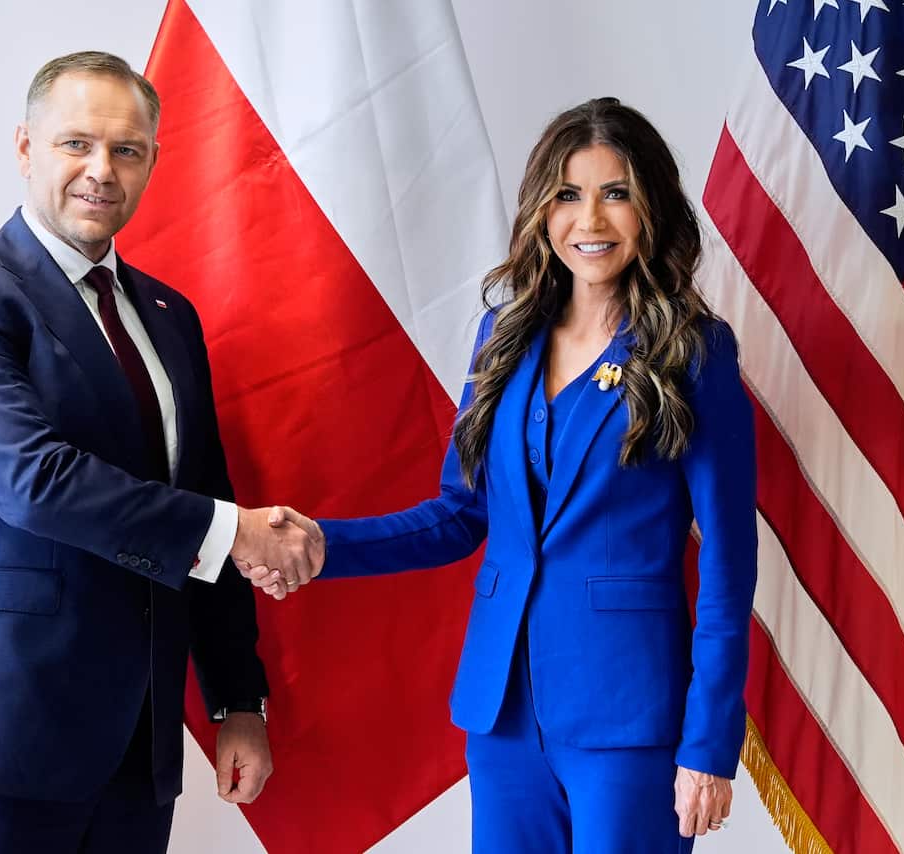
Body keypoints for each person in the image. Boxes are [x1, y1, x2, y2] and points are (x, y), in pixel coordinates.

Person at [246, 98, 757, 852]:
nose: (591, 219)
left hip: (629, 713)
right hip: (503, 711)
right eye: (568, 195)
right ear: (541, 211)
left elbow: (727, 561)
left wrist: (709, 744)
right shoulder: (502, 338)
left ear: (650, 208)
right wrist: (326, 544)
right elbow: (462, 513)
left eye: (616, 193)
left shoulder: (694, 351)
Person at [0, 51, 322, 854]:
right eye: (75, 143)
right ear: (24, 147)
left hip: (135, 745)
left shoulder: (168, 315)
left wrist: (237, 702)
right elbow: (36, 482)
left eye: (127, 149)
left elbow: (208, 494)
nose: (101, 170)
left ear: (153, 161)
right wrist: (235, 532)